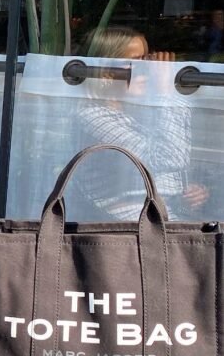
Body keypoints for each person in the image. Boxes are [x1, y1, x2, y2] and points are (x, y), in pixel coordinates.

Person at [75, 26, 209, 221]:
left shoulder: (139, 111)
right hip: (128, 222)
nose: (147, 71)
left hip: (158, 214)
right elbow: (169, 159)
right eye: (137, 63)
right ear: (105, 73)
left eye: (147, 61)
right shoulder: (92, 117)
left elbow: (163, 170)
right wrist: (166, 93)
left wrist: (185, 195)